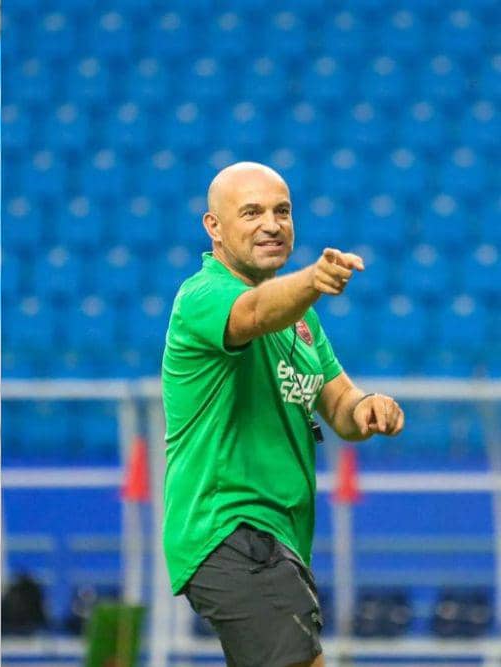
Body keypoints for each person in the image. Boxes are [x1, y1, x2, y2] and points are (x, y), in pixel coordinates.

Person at [161, 162, 405, 667]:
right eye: (251, 212)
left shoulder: (301, 319)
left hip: (280, 536)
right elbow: (252, 313)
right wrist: (313, 280)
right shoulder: (201, 296)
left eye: (282, 211)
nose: (272, 224)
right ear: (215, 227)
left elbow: (338, 403)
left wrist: (368, 408)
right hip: (229, 528)